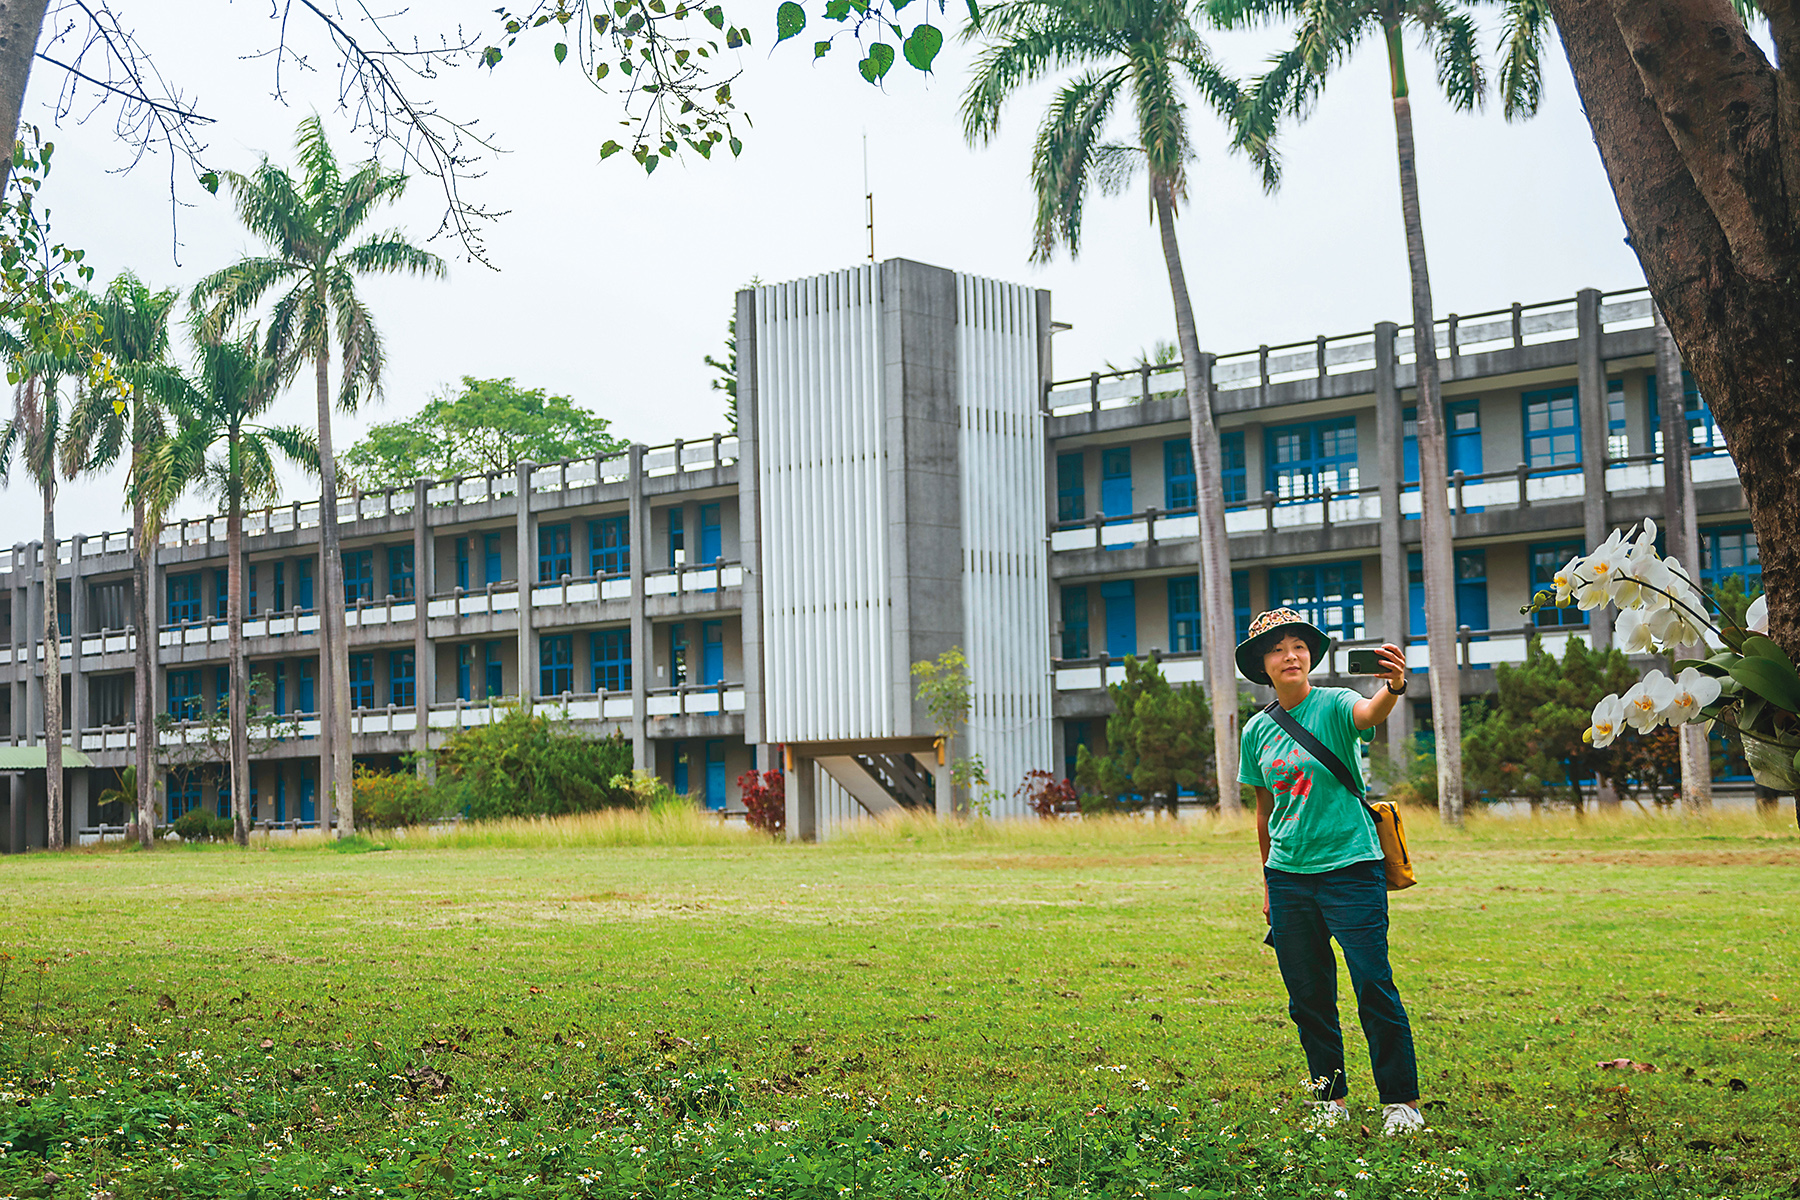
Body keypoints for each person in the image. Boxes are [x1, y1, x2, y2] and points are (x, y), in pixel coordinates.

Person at [1233, 607, 1424, 1136]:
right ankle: (1330, 1098)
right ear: (1263, 664)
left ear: (1310, 656)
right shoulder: (1256, 731)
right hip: (1290, 877)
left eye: (1298, 646)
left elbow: (1370, 714)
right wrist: (1268, 880)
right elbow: (1264, 810)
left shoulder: (1336, 704)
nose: (1290, 655)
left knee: (1372, 983)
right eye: (1277, 648)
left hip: (1351, 868)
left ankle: (1400, 1101)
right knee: (1308, 997)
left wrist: (1393, 686)